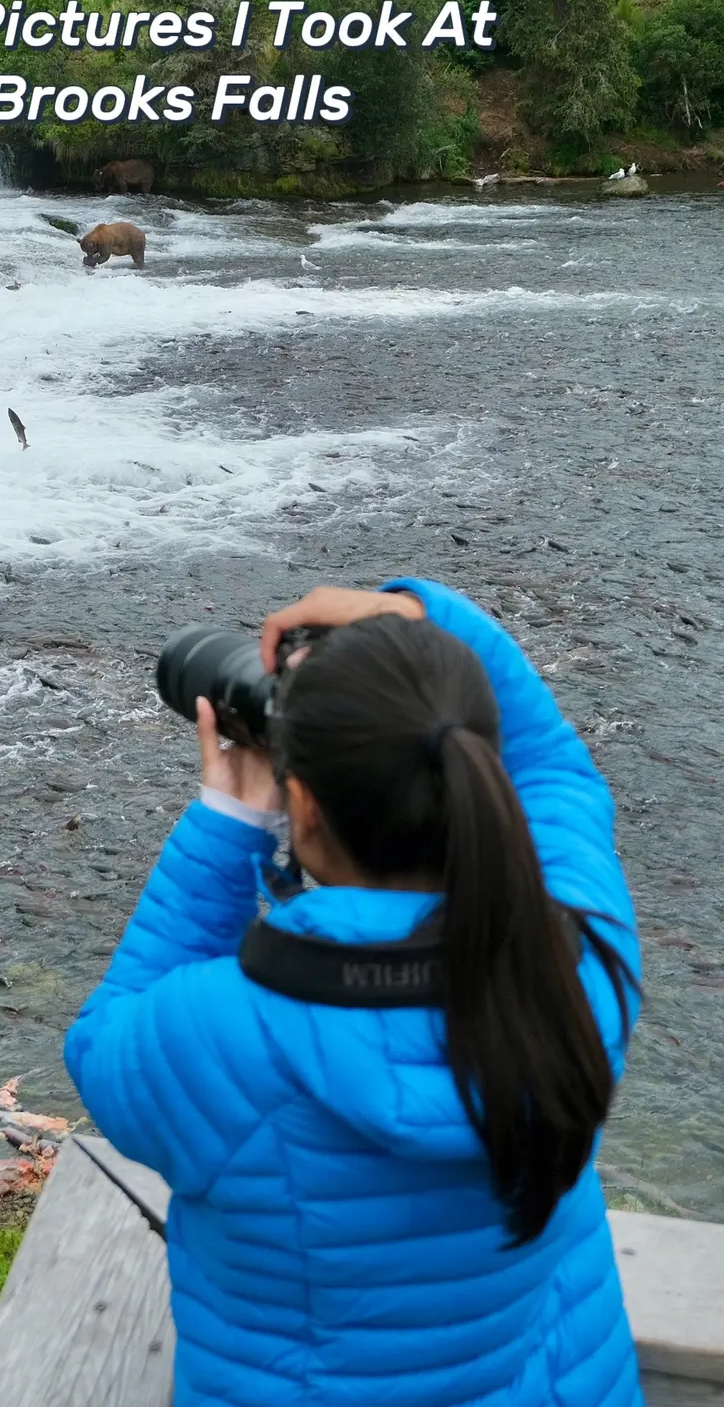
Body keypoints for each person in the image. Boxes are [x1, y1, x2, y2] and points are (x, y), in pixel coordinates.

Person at [65, 578, 643, 1407]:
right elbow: (554, 767)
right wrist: (420, 621)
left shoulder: (222, 1035)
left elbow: (102, 1044)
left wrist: (226, 823)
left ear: (300, 805)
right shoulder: (580, 966)